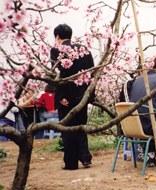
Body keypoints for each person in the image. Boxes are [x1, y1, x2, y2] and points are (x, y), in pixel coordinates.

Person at [51, 24, 95, 170]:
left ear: (57, 36)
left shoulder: (56, 49)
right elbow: (91, 73)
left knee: (68, 129)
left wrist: (60, 96)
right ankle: (85, 157)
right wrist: (89, 96)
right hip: (82, 97)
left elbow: (58, 74)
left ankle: (71, 163)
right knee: (81, 127)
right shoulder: (85, 49)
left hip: (67, 98)